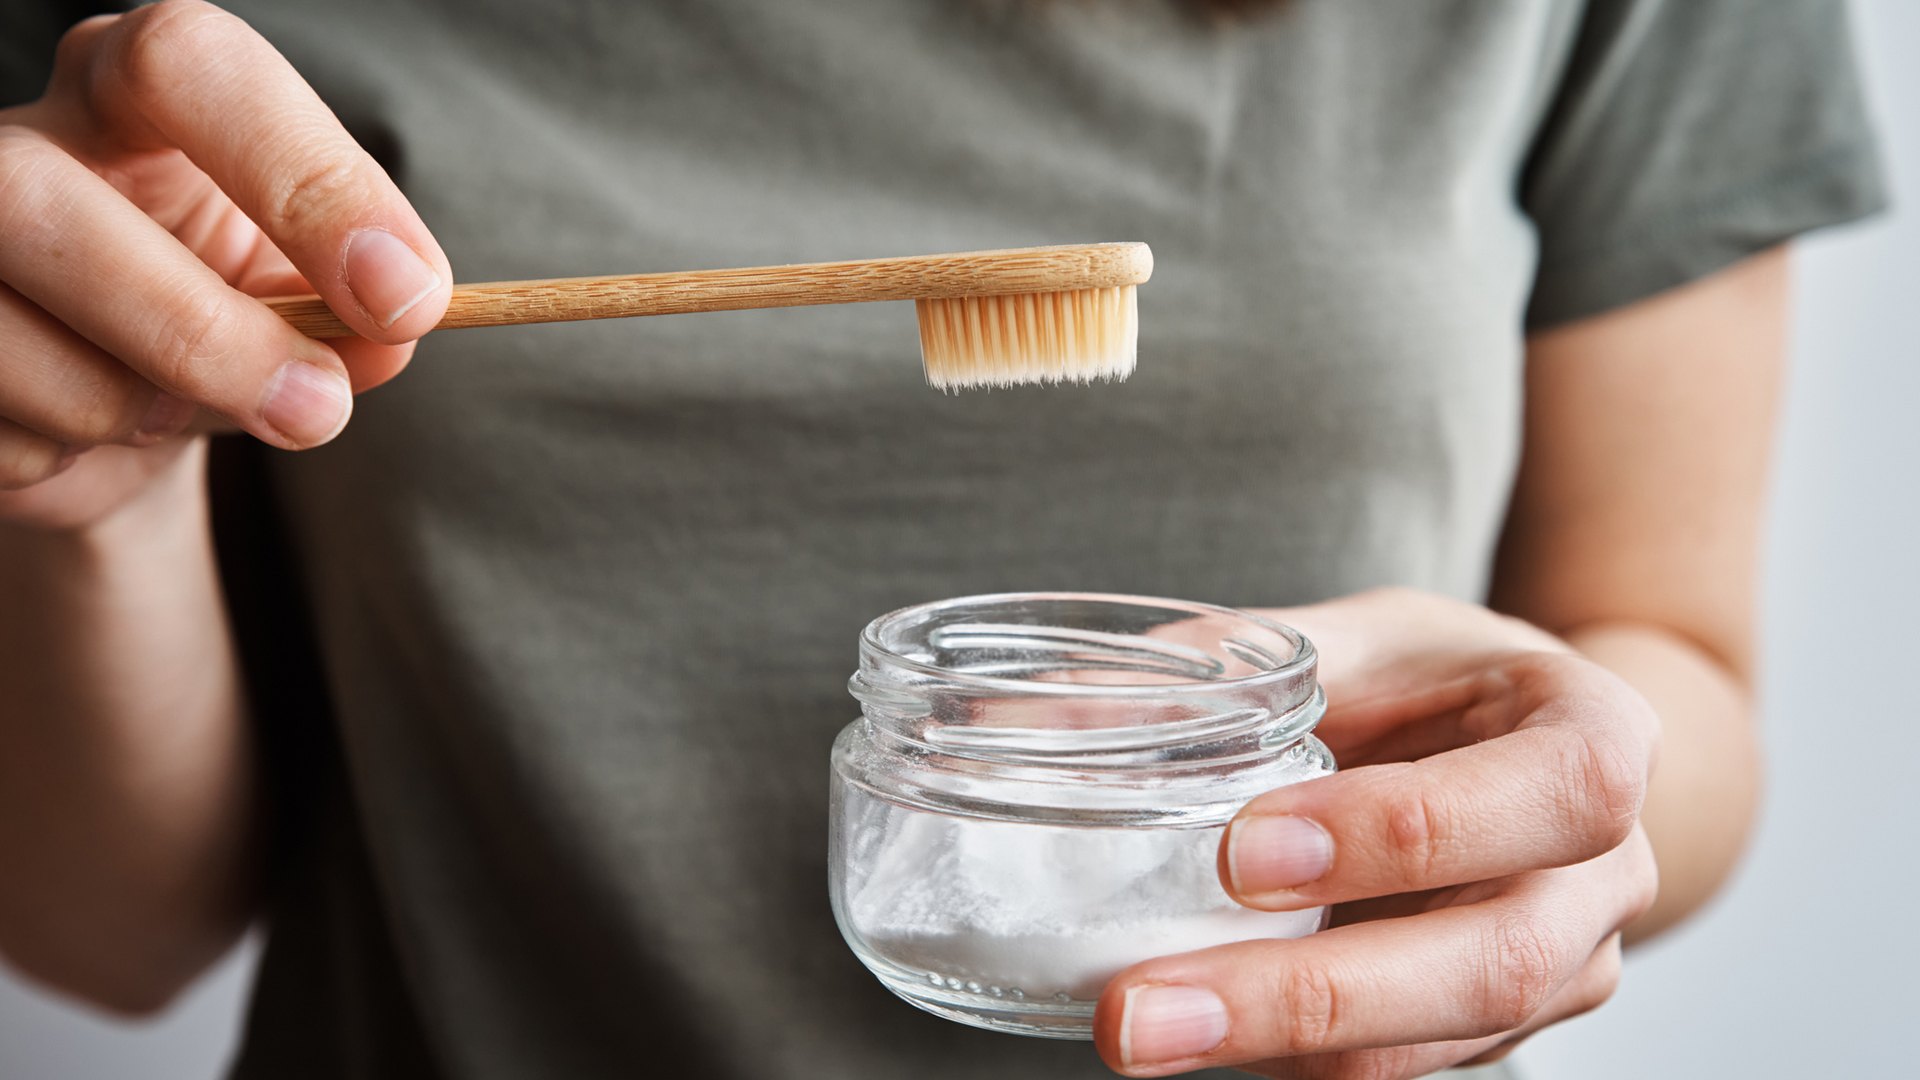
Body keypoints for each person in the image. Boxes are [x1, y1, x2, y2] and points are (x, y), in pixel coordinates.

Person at [0, 1, 1884, 1077]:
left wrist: (1577, 793)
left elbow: (1671, 661)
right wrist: (102, 487)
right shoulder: (148, 63)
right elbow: (111, 933)